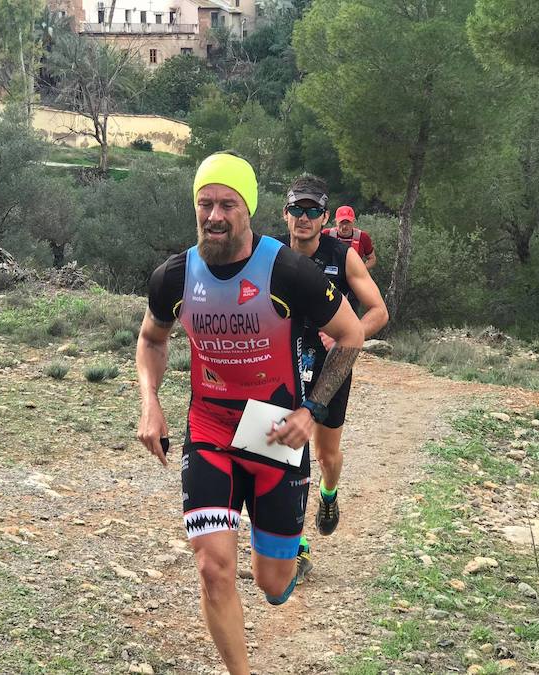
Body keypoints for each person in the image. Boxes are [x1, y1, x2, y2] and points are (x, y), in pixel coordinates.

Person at [136, 152, 364, 675]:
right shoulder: (173, 277)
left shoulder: (289, 271)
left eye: (227, 204)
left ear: (249, 210)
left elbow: (351, 336)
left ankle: (286, 561)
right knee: (214, 570)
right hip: (210, 428)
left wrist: (312, 409)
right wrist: (150, 402)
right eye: (205, 203)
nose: (214, 215)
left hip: (273, 431)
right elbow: (151, 340)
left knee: (272, 582)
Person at [278, 175, 388, 582]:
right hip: (284, 362)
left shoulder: (342, 256)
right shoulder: (270, 253)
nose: (302, 218)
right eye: (296, 209)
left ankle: (328, 494)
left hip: (332, 365)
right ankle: (297, 543)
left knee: (326, 455)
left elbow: (379, 311)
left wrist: (346, 330)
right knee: (289, 451)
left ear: (324, 217)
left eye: (311, 211)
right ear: (285, 213)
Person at [323, 205, 377, 271]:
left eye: (348, 222)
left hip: (353, 277)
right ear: (336, 222)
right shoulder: (326, 234)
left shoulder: (363, 237)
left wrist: (361, 270)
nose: (344, 226)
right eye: (341, 222)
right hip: (330, 276)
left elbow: (372, 259)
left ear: (353, 221)